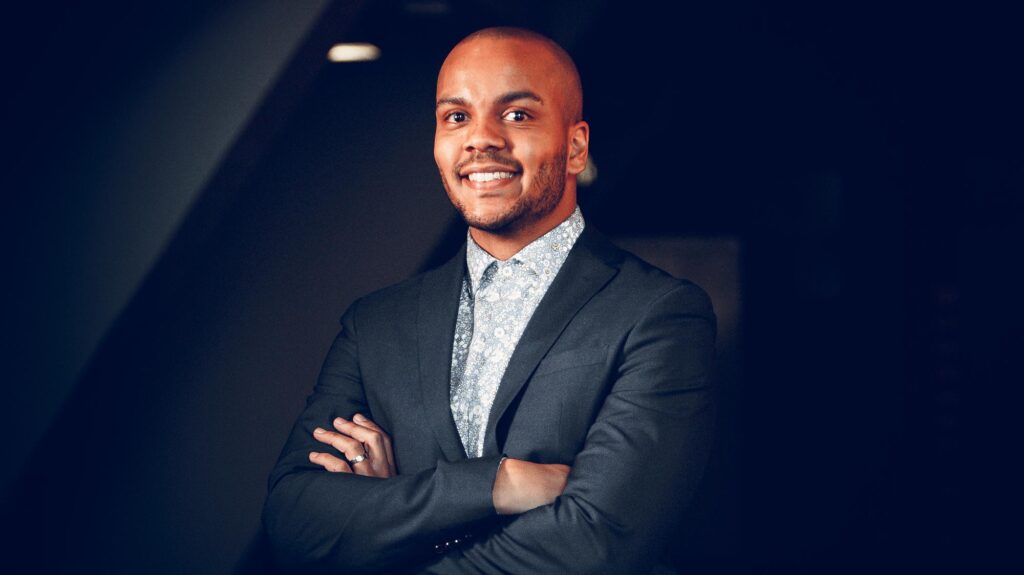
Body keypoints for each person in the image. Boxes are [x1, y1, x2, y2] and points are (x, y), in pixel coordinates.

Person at [262, 27, 716, 574]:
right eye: (457, 116)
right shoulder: (375, 324)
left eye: (517, 115)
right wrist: (498, 483)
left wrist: (387, 524)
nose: (480, 139)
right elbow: (294, 520)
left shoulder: (659, 314)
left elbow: (594, 547)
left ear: (576, 147)